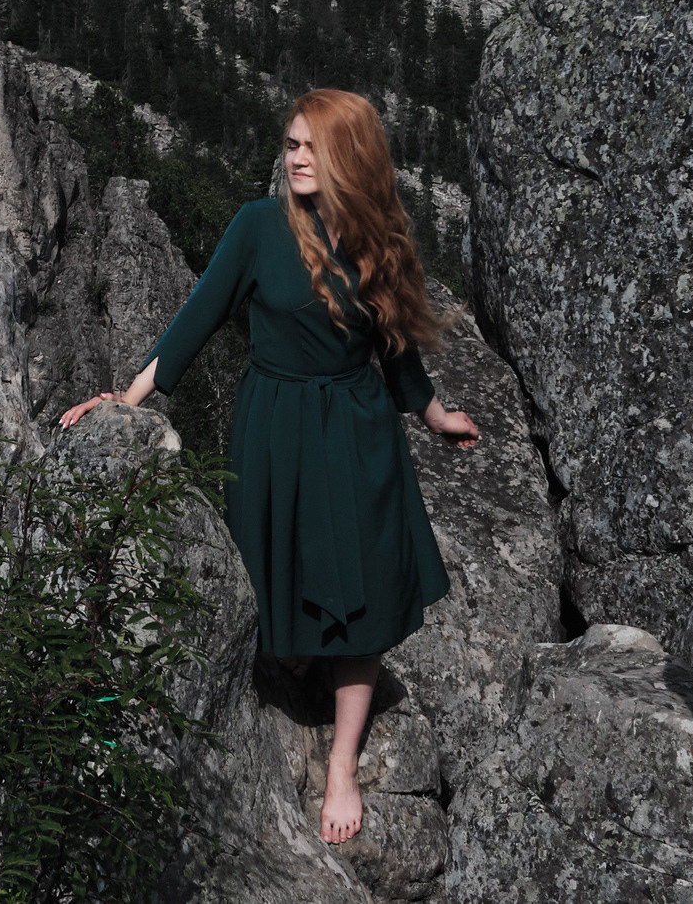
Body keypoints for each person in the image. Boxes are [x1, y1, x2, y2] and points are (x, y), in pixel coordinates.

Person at [59, 89, 480, 846]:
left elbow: (395, 349)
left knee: (365, 590)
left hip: (355, 428)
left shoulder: (377, 240)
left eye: (313, 146)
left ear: (350, 156)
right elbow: (195, 320)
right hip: (275, 428)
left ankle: (341, 766)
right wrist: (124, 400)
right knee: (272, 598)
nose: (296, 159)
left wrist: (436, 413)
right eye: (290, 145)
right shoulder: (258, 225)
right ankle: (295, 662)